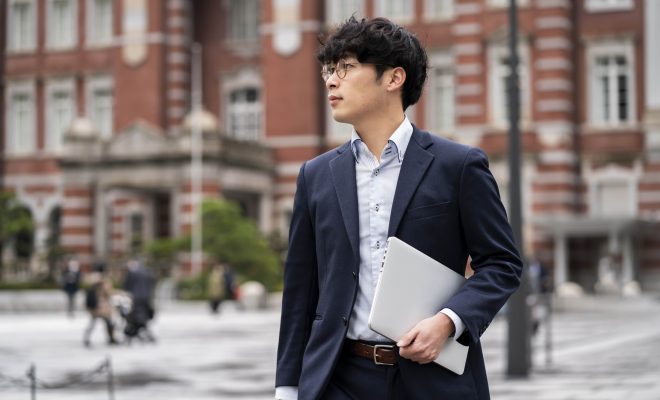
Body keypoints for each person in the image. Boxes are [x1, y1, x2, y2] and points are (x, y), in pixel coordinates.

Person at [275, 17, 523, 400]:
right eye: (328, 70)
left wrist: (447, 322)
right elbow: (300, 292)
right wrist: (288, 388)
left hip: (434, 379)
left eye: (346, 68)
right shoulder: (316, 175)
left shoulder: (458, 166)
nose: (331, 81)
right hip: (337, 379)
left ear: (393, 78)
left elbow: (502, 263)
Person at [122, 259, 156, 343]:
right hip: (146, 296)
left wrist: (125, 293)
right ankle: (143, 330)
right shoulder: (146, 271)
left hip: (136, 297)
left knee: (136, 315)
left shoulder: (132, 272)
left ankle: (135, 330)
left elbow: (127, 285)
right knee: (143, 314)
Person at [83, 270, 118, 347]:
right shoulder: (104, 283)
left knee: (93, 323)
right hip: (103, 307)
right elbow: (109, 293)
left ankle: (86, 338)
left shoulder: (93, 281)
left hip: (95, 308)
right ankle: (111, 338)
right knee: (109, 323)